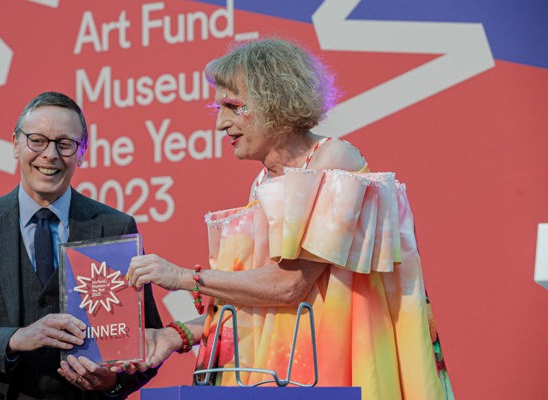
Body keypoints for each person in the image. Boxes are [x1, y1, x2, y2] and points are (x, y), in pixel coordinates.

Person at [127, 38, 454, 400]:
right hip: (282, 373)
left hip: (333, 371)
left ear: (275, 100)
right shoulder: (262, 183)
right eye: (218, 108)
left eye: (232, 107)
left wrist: (181, 277)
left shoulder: (334, 159)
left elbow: (289, 285)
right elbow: (256, 303)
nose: (221, 123)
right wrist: (174, 335)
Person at [0, 91, 163, 400]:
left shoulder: (115, 228)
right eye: (37, 141)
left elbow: (148, 341)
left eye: (64, 144)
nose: (50, 154)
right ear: (15, 144)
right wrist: (15, 339)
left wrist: (111, 384)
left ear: (82, 152)